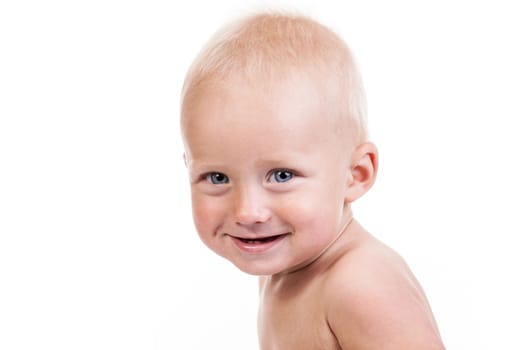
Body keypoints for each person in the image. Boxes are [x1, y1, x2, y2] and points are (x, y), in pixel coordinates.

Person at [180, 11, 445, 349]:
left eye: (281, 175)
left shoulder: (360, 284)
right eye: (217, 177)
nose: (247, 212)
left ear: (356, 175)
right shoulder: (285, 264)